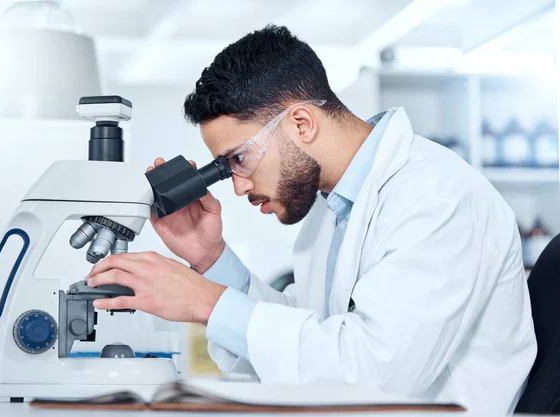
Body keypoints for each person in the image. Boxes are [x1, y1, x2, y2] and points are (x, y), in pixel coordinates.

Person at [87, 25, 536, 413]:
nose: (238, 186)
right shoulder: (334, 207)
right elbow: (309, 342)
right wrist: (210, 259)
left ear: (301, 123)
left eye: (238, 159)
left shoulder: (436, 198)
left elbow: (374, 377)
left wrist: (205, 301)